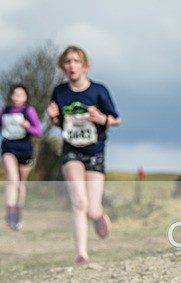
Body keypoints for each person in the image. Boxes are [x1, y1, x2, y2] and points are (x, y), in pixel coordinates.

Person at [46, 46, 121, 265]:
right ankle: (82, 254)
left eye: (75, 61)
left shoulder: (98, 91)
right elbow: (62, 122)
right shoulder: (59, 92)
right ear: (63, 67)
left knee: (91, 207)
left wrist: (101, 118)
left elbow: (116, 119)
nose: (71, 66)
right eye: (67, 62)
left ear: (85, 66)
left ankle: (98, 215)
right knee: (78, 201)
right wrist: (53, 119)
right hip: (72, 150)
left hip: (95, 152)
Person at [1, 84, 43, 230]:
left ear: (26, 97)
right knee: (12, 179)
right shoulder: (4, 111)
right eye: (15, 94)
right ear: (11, 96)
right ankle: (10, 215)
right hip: (8, 148)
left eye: (21, 94)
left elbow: (38, 131)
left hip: (25, 149)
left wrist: (27, 126)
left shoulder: (28, 111)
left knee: (20, 184)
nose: (17, 97)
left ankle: (18, 217)